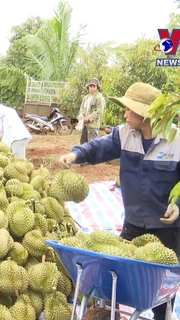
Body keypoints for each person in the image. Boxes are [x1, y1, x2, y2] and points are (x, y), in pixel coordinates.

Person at [59, 82, 180, 320]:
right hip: (134, 224)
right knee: (114, 278)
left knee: (161, 292)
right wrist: (75, 154)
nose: (124, 114)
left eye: (129, 109)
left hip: (169, 230)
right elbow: (97, 148)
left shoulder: (176, 141)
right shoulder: (124, 134)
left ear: (146, 115)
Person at [77, 78, 106, 144]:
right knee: (83, 144)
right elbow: (82, 108)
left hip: (93, 126)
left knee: (93, 146)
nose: (92, 88)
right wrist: (81, 114)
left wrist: (89, 118)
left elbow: (99, 111)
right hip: (84, 125)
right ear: (88, 87)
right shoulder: (86, 98)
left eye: (94, 86)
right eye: (90, 86)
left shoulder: (99, 98)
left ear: (97, 87)